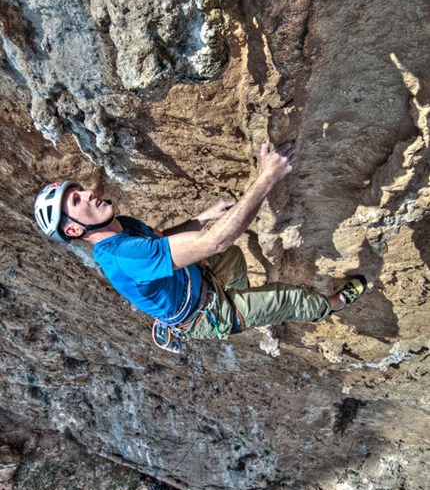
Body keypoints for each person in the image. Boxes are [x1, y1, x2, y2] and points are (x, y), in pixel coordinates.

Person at [34, 141, 366, 351]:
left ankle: (234, 305)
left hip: (197, 282)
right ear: (75, 228)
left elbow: (161, 240)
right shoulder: (122, 256)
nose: (89, 192)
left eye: (80, 189)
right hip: (205, 315)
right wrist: (267, 177)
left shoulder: (120, 227)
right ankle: (331, 305)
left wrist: (202, 216)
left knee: (232, 257)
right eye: (77, 200)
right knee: (285, 297)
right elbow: (215, 240)